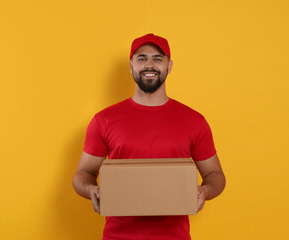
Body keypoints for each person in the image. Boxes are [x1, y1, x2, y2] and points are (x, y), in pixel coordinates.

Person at [73, 33, 226, 240]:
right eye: (142, 58)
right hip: (118, 236)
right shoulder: (104, 120)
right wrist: (92, 190)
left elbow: (216, 175)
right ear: (131, 66)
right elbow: (82, 173)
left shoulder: (194, 121)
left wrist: (204, 191)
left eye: (157, 58)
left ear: (169, 65)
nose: (149, 64)